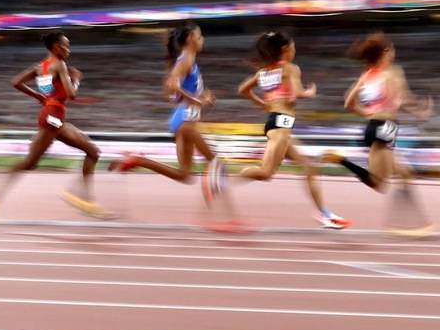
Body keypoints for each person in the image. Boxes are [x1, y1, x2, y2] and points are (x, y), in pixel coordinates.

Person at [215, 31, 350, 229]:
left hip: (276, 122)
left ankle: (324, 214)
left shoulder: (264, 72)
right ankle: (220, 178)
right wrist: (309, 93)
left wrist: (265, 104)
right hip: (281, 125)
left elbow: (243, 89)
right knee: (266, 173)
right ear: (285, 49)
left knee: (310, 167)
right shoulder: (290, 68)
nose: (294, 52)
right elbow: (297, 93)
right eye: (293, 48)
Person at [109, 22, 240, 225]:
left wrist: (201, 96)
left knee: (184, 174)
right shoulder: (185, 61)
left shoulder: (189, 62)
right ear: (190, 38)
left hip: (183, 119)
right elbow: (172, 85)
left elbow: (174, 90)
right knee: (217, 163)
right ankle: (228, 218)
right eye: (200, 36)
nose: (203, 39)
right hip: (185, 121)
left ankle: (137, 160)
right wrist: (197, 100)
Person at [0, 32, 109, 221]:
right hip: (53, 117)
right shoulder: (60, 65)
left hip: (52, 116)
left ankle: (84, 198)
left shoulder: (40, 67)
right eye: (66, 46)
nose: (68, 50)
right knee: (30, 162)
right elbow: (72, 95)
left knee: (93, 152)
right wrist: (77, 78)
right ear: (56, 46)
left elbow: (16, 82)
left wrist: (38, 96)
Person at [322, 32, 434, 235]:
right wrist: (421, 110)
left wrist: (369, 114)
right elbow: (404, 100)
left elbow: (348, 101)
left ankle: (410, 224)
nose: (393, 53)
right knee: (380, 183)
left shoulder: (366, 76)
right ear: (385, 51)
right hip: (387, 128)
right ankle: (342, 160)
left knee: (405, 174)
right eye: (392, 50)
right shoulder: (392, 72)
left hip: (373, 127)